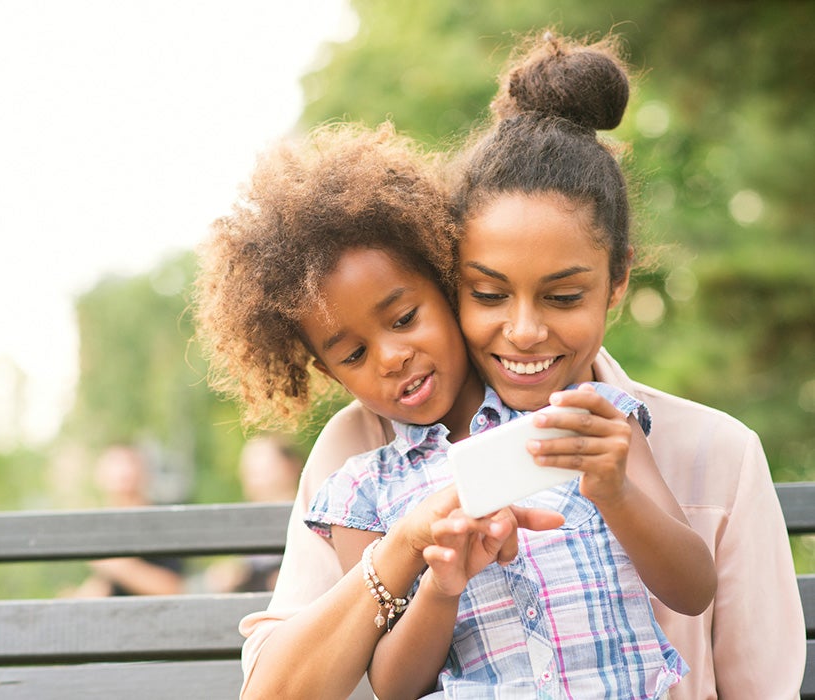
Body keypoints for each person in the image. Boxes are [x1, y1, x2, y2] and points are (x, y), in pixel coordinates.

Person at [236, 31, 806, 700]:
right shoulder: (360, 467)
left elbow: (736, 649)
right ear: (454, 279)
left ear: (617, 280)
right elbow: (337, 687)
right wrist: (416, 556)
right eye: (488, 292)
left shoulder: (658, 440)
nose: (526, 331)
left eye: (563, 295)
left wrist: (616, 489)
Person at [194, 108, 712, 696]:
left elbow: (693, 590)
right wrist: (439, 584)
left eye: (406, 318)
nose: (391, 358)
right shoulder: (362, 490)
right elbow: (394, 687)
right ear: (327, 371)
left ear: (448, 285)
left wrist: (616, 492)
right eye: (354, 355)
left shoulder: (587, 415)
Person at [69, 444, 185, 597]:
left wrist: (114, 565)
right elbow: (106, 586)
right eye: (116, 464)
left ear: (144, 473)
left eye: (129, 463)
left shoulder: (161, 521)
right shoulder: (101, 528)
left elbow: (175, 589)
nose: (123, 471)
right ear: (99, 476)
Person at [208, 435, 305, 593]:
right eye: (248, 469)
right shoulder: (244, 520)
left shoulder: (306, 512)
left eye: (262, 468)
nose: (253, 477)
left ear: (291, 466)